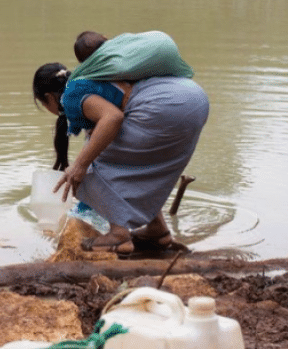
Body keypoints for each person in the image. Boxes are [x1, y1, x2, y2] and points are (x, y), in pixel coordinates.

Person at [32, 33, 209, 254]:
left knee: (85, 170)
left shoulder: (74, 93)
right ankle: (158, 231)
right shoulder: (100, 75)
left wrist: (79, 166)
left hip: (164, 107)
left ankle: (118, 236)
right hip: (193, 98)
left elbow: (112, 118)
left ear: (48, 97)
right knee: (135, 165)